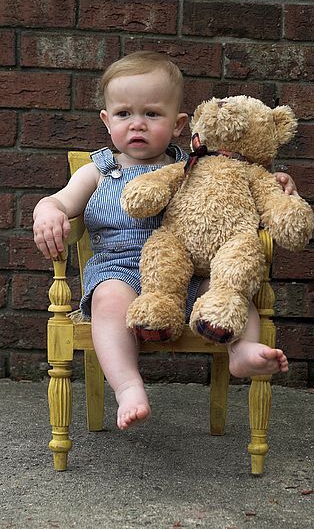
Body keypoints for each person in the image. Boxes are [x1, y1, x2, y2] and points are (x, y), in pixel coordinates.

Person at [33, 51, 297, 430]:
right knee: (108, 303)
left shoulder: (195, 164)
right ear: (107, 121)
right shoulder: (97, 171)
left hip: (186, 272)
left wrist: (278, 186)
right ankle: (127, 386)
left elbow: (236, 184)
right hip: (118, 270)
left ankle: (243, 350)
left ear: (179, 124)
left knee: (228, 291)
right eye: (124, 114)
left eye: (152, 114)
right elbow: (61, 200)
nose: (137, 124)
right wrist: (49, 210)